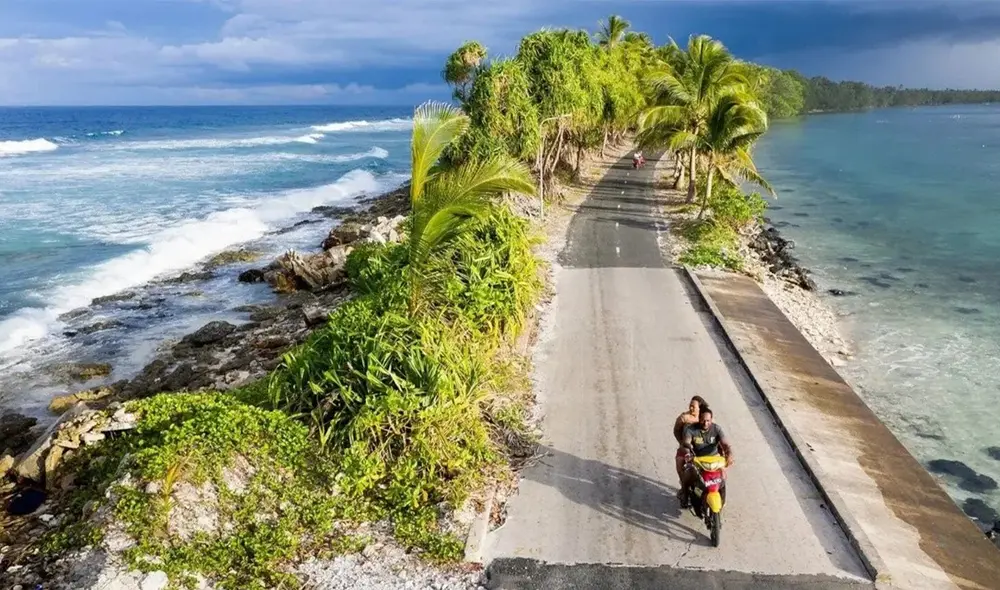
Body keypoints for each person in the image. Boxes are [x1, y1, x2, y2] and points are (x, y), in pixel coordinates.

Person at [678, 406, 733, 508]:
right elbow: (686, 442)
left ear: (711, 420)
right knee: (688, 475)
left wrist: (729, 453)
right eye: (703, 420)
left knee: (723, 477)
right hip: (697, 460)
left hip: (714, 460)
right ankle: (685, 496)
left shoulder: (716, 429)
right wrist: (688, 453)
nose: (705, 423)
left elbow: (725, 443)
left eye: (708, 420)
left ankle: (722, 500)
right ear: (699, 419)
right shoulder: (691, 429)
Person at [674, 396, 706, 485]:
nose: (691, 408)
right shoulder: (684, 418)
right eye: (690, 405)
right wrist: (681, 442)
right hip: (687, 449)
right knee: (679, 463)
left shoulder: (705, 418)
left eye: (693, 406)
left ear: (700, 408)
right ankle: (683, 489)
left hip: (702, 449)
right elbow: (676, 430)